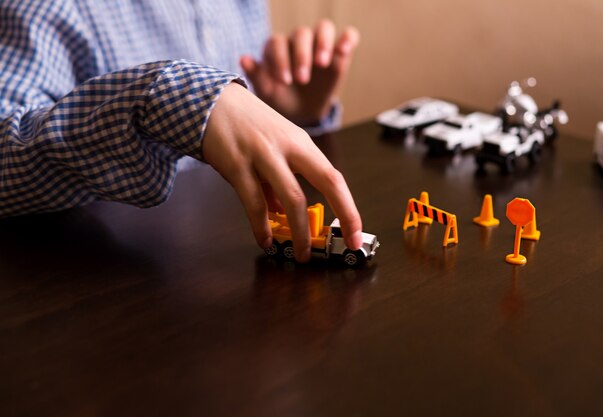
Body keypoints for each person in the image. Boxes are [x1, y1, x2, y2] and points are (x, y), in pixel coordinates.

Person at [0, 0, 362, 263]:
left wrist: (287, 113)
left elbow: (236, 131)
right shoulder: (46, 6)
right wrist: (176, 98)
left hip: (221, 270)